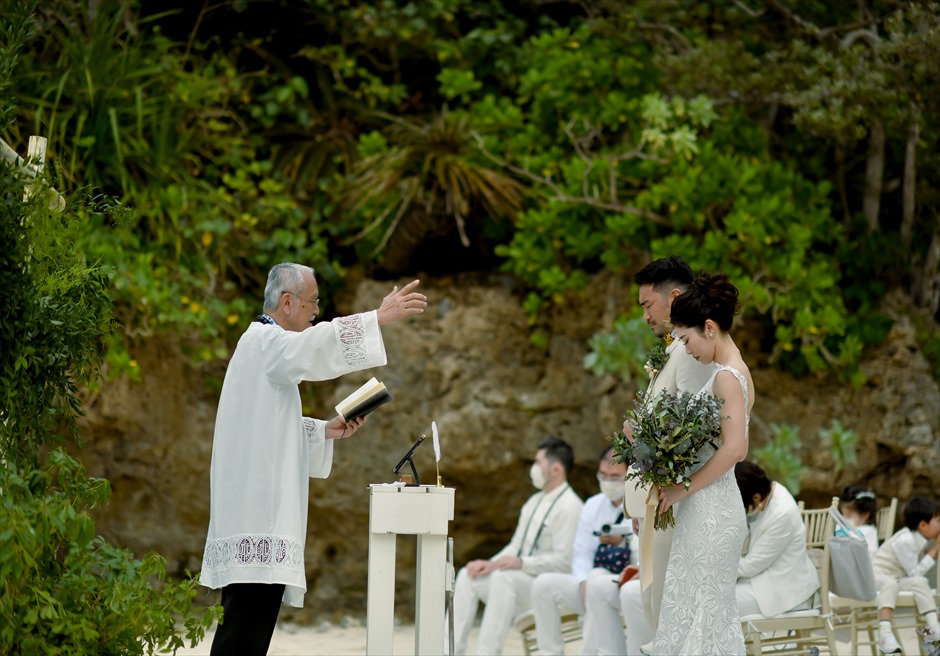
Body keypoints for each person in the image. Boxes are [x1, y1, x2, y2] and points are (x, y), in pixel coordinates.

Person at [199, 263, 427, 656]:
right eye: (312, 302)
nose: (315, 312)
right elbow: (315, 346)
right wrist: (376, 318)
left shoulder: (263, 349)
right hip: (259, 520)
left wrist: (325, 430)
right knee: (242, 638)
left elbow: (268, 434)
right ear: (286, 302)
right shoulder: (265, 343)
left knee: (244, 635)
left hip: (255, 517)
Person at [650, 272, 752, 655]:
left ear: (709, 328)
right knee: (695, 613)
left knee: (704, 618)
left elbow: (734, 449)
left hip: (712, 510)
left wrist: (681, 487)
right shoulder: (731, 371)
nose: (686, 349)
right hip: (705, 509)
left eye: (686, 339)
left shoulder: (727, 376)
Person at [622, 257, 715, 640]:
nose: (644, 315)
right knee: (654, 606)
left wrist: (638, 440)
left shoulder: (691, 354)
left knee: (668, 609)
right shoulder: (671, 349)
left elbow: (695, 435)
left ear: (674, 297)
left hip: (676, 505)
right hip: (656, 502)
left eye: (648, 305)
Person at [452, 436, 583, 655]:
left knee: (506, 578)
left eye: (538, 462)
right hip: (519, 584)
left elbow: (563, 562)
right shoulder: (534, 501)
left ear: (556, 469)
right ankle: (450, 650)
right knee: (468, 574)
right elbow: (515, 546)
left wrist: (521, 563)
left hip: (545, 588)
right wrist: (490, 563)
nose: (534, 467)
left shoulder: (571, 506)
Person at [531, 445, 634, 655]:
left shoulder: (641, 506)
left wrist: (621, 541)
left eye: (615, 477)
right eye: (603, 475)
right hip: (590, 583)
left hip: (625, 583)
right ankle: (549, 652)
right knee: (544, 585)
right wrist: (582, 581)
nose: (607, 482)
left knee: (598, 582)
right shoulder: (592, 505)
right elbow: (582, 552)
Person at [733, 461, 818, 618]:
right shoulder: (769, 493)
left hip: (782, 587)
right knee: (711, 596)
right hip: (762, 580)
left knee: (717, 603)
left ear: (756, 497)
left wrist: (717, 569)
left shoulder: (782, 514)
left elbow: (752, 565)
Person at [872, 496, 940, 654]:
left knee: (920, 582)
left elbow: (914, 575)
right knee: (891, 583)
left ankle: (933, 626)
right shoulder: (905, 540)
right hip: (879, 577)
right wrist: (933, 550)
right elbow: (914, 571)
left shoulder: (916, 539)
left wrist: (928, 553)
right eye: (937, 520)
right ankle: (885, 633)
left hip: (898, 578)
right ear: (923, 525)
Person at [583, 555, 654, 655]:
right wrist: (640, 567)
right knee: (598, 586)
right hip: (651, 569)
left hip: (671, 577)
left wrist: (650, 570)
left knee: (630, 590)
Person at [839, 484, 879, 557]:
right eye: (843, 514)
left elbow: (871, 556)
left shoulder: (868, 531)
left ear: (865, 515)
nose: (844, 519)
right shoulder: (841, 526)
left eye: (849, 515)